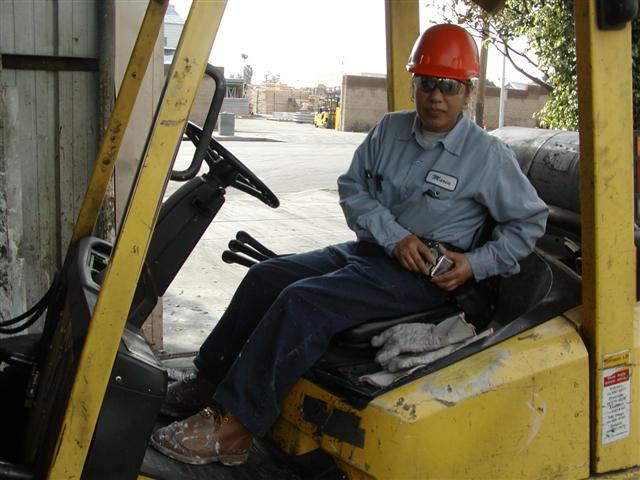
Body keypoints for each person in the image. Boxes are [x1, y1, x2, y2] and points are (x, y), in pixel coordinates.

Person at [150, 23, 548, 466]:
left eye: (450, 86)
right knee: (266, 277)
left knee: (304, 302)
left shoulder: (487, 157)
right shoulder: (390, 131)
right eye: (428, 82)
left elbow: (529, 223)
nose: (437, 95)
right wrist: (393, 236)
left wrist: (475, 264)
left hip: (421, 277)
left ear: (468, 92)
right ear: (415, 83)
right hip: (375, 250)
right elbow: (353, 188)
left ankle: (236, 427)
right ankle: (209, 380)